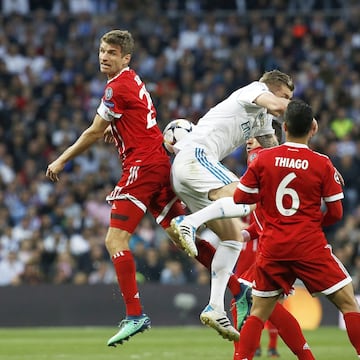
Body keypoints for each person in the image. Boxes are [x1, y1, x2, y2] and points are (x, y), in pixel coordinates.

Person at [46, 29, 187, 347]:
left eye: (111, 52)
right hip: (158, 162)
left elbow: (94, 132)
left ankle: (135, 315)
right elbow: (134, 119)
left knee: (115, 238)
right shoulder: (132, 80)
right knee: (181, 235)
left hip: (143, 166)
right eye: (101, 50)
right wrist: (118, 128)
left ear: (126, 57)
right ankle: (237, 289)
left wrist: (60, 161)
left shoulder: (116, 87)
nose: (103, 56)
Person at [170, 70, 294, 340]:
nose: (284, 103)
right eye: (285, 96)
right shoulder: (251, 90)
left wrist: (304, 160)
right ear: (271, 89)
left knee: (233, 237)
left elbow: (274, 150)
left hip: (192, 176)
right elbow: (277, 106)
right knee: (246, 198)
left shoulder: (260, 118)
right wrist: (303, 115)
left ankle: (214, 306)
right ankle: (188, 223)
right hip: (196, 157)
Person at [233, 99, 360, 359]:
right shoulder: (323, 163)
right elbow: (336, 213)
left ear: (285, 127)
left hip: (273, 247)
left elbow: (239, 198)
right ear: (313, 127)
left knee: (258, 311)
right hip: (309, 246)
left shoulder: (263, 159)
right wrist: (311, 224)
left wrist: (271, 212)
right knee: (349, 303)